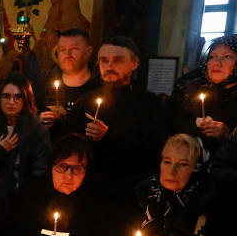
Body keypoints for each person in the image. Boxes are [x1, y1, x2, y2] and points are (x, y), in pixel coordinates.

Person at [62, 36, 168, 198]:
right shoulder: (85, 101)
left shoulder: (149, 104)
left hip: (131, 189)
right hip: (88, 189)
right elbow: (68, 143)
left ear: (134, 63)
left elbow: (154, 151)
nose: (109, 66)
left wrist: (109, 136)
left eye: (117, 60)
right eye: (104, 60)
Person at [0, 73, 50, 200]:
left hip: (25, 197)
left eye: (18, 96)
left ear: (25, 99)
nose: (11, 102)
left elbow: (41, 168)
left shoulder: (36, 129)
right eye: (6, 96)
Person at [168, 34, 237, 155]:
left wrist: (228, 135)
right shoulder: (186, 90)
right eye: (212, 56)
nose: (217, 63)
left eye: (227, 56)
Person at [39, 28, 102, 140]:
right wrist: (40, 122)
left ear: (88, 51)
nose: (67, 54)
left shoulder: (101, 86)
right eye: (62, 49)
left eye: (74, 49)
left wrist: (104, 134)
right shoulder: (44, 85)